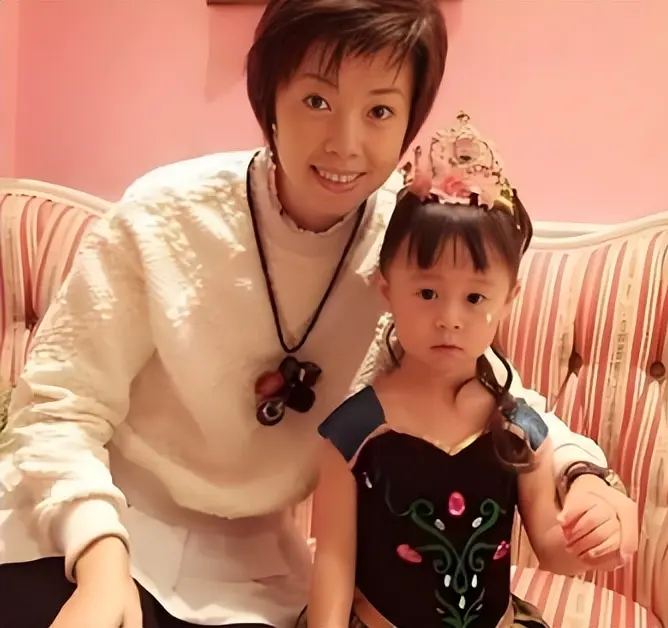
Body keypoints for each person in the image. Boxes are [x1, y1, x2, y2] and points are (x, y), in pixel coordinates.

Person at [0, 1, 635, 627]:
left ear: (409, 121)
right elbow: (58, 405)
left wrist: (586, 476)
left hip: (251, 576)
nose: (345, 145)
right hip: (89, 525)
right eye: (316, 100)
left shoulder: (406, 242)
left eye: (379, 110)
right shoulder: (163, 215)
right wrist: (100, 562)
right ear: (269, 97)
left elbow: (487, 388)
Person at [301, 114, 629, 628]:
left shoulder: (519, 428)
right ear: (387, 289)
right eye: (427, 292)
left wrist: (592, 536)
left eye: (475, 298)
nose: (449, 318)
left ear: (509, 299)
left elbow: (552, 549)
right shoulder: (352, 432)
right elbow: (334, 564)